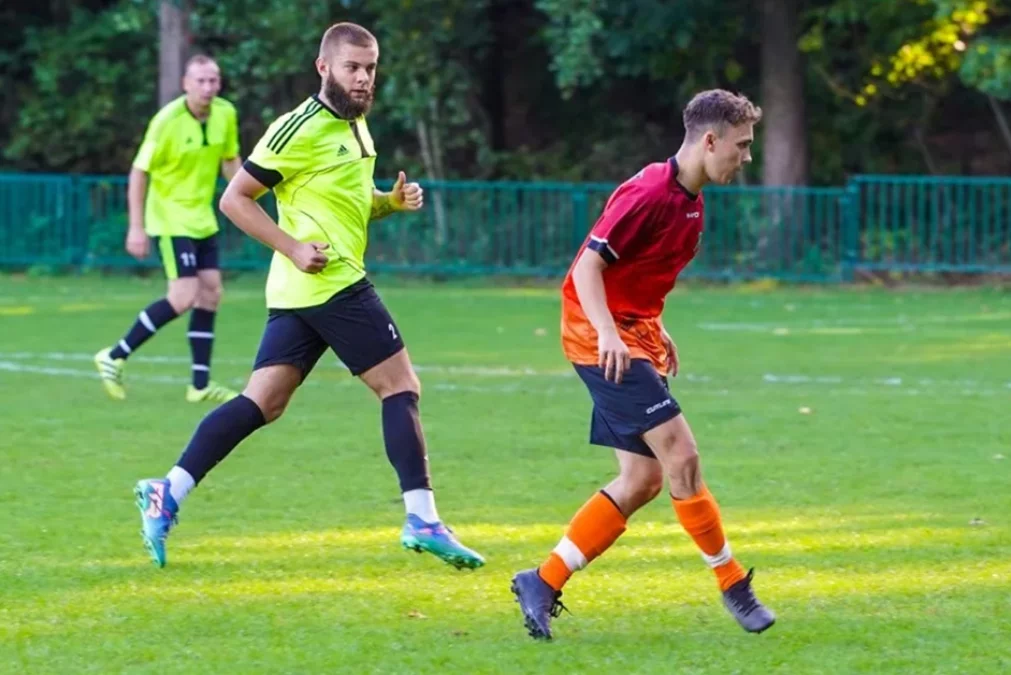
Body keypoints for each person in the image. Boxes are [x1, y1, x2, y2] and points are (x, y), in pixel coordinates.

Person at [130, 22, 486, 572]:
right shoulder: (296, 127)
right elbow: (235, 199)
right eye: (352, 67)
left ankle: (167, 490)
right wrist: (293, 247)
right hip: (331, 282)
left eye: (370, 68)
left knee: (261, 402)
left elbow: (348, 204)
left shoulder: (356, 124)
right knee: (400, 386)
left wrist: (389, 202)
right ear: (324, 68)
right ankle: (422, 518)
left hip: (304, 291)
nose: (363, 78)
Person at [510, 89, 776, 639]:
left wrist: (656, 326)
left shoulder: (691, 201)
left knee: (641, 479)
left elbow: (637, 274)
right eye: (742, 145)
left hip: (632, 335)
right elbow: (587, 269)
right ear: (710, 141)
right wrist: (611, 334)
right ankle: (732, 583)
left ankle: (542, 581)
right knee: (682, 455)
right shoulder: (650, 193)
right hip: (599, 338)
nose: (747, 157)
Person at [94, 55, 242, 404]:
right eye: (200, 81)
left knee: (211, 293)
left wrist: (246, 196)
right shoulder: (166, 121)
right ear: (185, 84)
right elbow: (139, 172)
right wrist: (136, 227)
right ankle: (114, 355)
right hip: (171, 219)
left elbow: (230, 160)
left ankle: (200, 385)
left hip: (203, 219)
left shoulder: (226, 113)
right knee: (183, 296)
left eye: (213, 80)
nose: (208, 87)